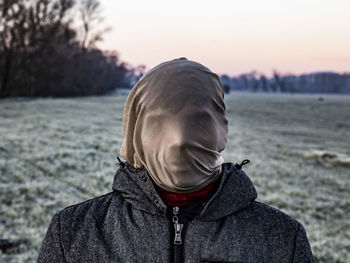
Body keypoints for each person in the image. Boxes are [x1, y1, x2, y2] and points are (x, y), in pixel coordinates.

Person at [37, 58, 315, 263]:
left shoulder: (281, 240)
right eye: (159, 121)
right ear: (135, 134)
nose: (179, 139)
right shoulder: (73, 233)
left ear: (221, 128)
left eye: (197, 119)